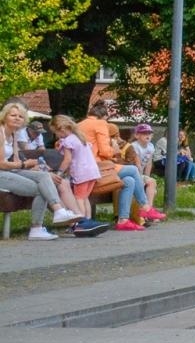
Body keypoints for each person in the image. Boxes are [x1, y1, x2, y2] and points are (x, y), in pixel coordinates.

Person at [0, 100, 82, 239]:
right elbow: (1, 164)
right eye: (13, 115)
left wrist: (34, 167)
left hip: (8, 171)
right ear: (4, 116)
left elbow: (16, 161)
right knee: (41, 188)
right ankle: (41, 225)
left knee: (44, 178)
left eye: (20, 116)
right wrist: (25, 165)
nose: (17, 118)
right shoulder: (1, 133)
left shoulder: (13, 134)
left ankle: (55, 215)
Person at [77, 101, 161, 229]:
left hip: (86, 167)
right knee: (132, 170)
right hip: (97, 168)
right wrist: (114, 150)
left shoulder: (79, 125)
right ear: (104, 117)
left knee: (129, 181)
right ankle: (145, 207)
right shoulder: (100, 124)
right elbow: (105, 151)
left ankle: (123, 220)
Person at [122, 123, 160, 210]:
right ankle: (148, 211)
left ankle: (148, 211)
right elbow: (137, 164)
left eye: (149, 133)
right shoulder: (134, 146)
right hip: (134, 174)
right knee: (151, 182)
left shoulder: (151, 146)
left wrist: (147, 177)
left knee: (152, 187)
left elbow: (149, 163)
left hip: (141, 174)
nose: (148, 135)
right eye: (144, 133)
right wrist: (141, 180)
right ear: (136, 135)